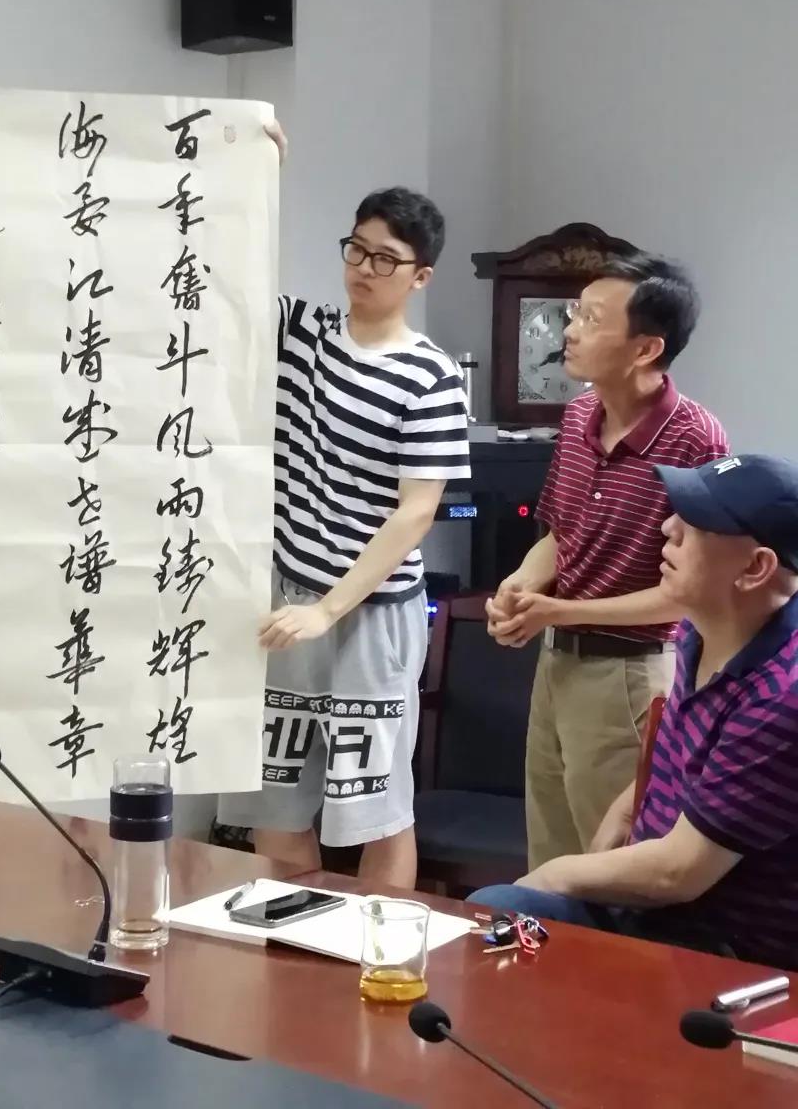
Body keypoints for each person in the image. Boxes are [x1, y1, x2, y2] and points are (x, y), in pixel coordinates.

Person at [218, 143, 470, 888]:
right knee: (275, 797)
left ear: (420, 276)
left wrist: (328, 609)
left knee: (376, 808)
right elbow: (224, 272)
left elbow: (416, 513)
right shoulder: (301, 332)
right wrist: (250, 167)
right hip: (288, 599)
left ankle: (376, 949)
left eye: (385, 258)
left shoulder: (431, 375)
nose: (363, 267)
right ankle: (289, 943)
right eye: (356, 248)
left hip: (371, 613)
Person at [469, 455, 798, 972]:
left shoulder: (782, 694)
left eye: (696, 525)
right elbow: (678, 749)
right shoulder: (702, 628)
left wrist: (556, 876)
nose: (669, 529)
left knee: (503, 914)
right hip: (654, 915)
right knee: (490, 922)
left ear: (756, 569)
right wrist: (625, 813)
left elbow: (678, 872)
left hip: (725, 949)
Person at [487, 254, 729, 869]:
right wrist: (519, 586)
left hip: (628, 675)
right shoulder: (577, 416)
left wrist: (556, 611)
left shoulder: (695, 439)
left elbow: (688, 593)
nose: (569, 330)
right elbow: (560, 534)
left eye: (592, 319)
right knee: (549, 861)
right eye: (576, 313)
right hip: (556, 666)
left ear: (646, 349)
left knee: (608, 867)